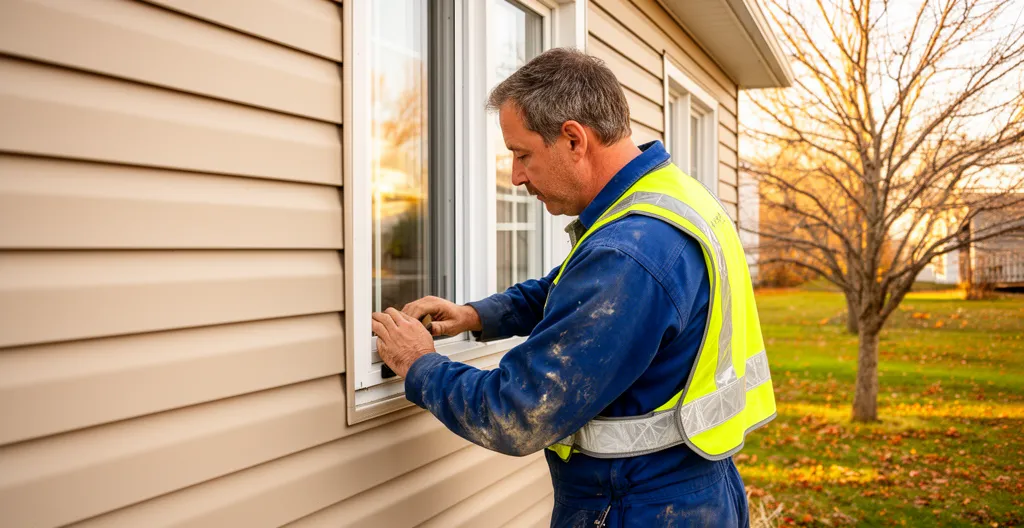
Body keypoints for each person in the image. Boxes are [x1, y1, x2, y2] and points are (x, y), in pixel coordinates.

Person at [370, 48, 775, 528]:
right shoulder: (666, 202)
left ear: (573, 139)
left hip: (637, 504)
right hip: (691, 486)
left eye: (523, 155)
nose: (517, 176)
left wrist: (419, 365)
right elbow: (572, 291)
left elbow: (518, 410)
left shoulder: (629, 254)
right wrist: (478, 315)